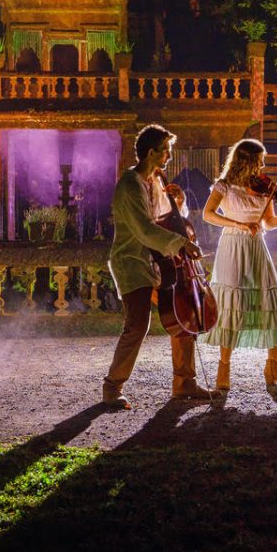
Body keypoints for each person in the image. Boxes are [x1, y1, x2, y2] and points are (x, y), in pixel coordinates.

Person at [102, 124, 211, 410]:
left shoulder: (154, 181)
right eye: (166, 151)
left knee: (184, 314)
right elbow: (145, 231)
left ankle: (184, 383)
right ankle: (112, 387)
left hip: (159, 261)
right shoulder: (130, 184)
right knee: (138, 324)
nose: (169, 157)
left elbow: (169, 219)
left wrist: (180, 203)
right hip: (132, 261)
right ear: (151, 152)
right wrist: (182, 245)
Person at [199, 138, 277, 389]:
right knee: (231, 305)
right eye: (259, 161)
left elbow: (269, 223)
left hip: (257, 245)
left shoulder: (264, 189)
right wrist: (239, 224)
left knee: (271, 303)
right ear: (246, 161)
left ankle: (274, 366)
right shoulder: (224, 186)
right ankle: (224, 368)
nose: (262, 166)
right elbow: (208, 215)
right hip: (232, 245)